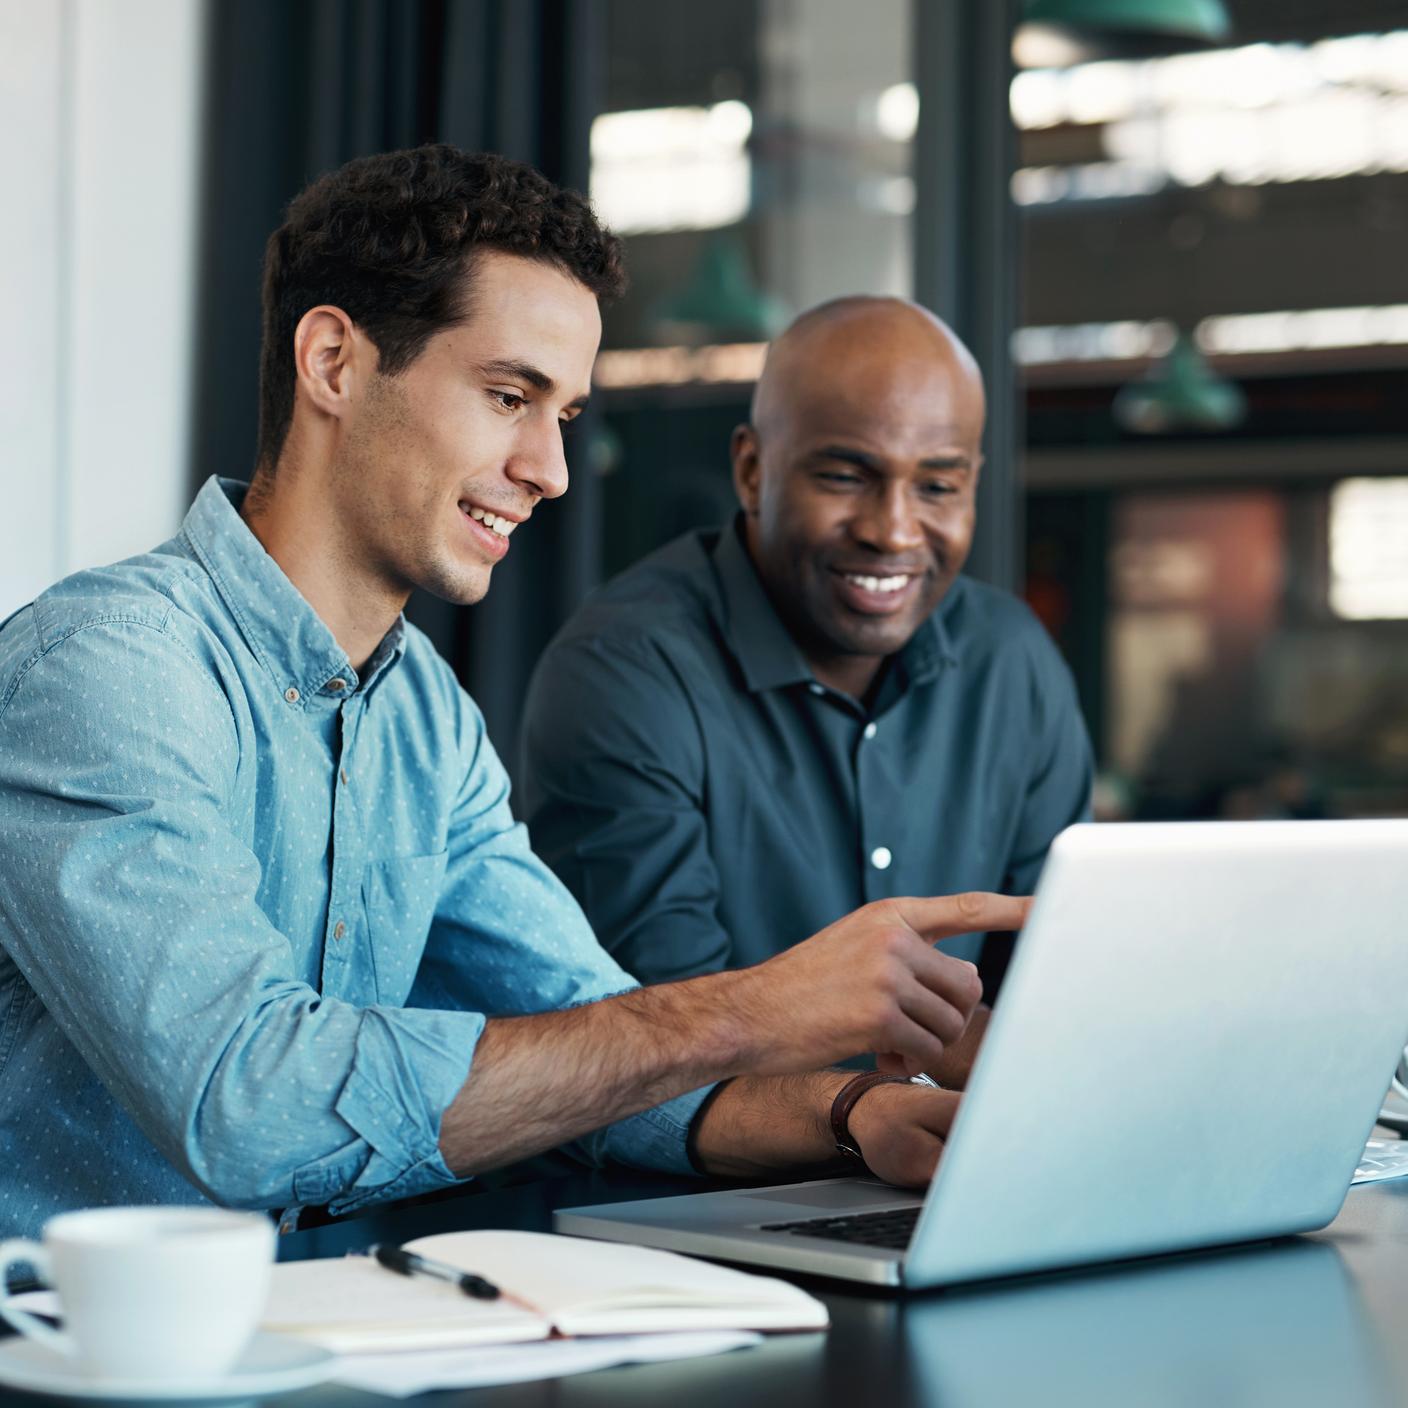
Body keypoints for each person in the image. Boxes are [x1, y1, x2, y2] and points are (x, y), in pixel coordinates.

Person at [0, 146, 1026, 1239]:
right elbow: (251, 1103)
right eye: (507, 397)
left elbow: (592, 1044)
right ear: (335, 363)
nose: (551, 468)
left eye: (564, 416)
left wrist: (855, 1108)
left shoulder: (423, 718)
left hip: (327, 1343)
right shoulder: (106, 670)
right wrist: (754, 1008)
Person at [521, 296, 1092, 1084]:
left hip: (953, 1167)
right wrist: (878, 1113)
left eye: (937, 487)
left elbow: (1064, 985)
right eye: (847, 476)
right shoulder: (626, 669)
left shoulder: (1011, 660)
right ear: (753, 470)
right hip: (690, 1197)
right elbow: (661, 1042)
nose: (893, 530)